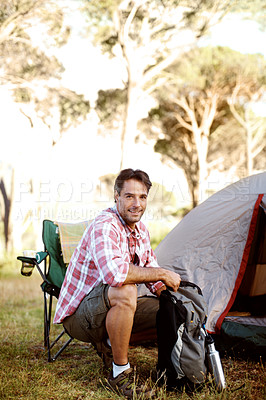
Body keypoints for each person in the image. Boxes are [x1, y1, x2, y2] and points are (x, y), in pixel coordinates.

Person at [54, 168, 181, 399]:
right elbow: (116, 275)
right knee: (126, 291)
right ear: (116, 196)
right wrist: (162, 273)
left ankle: (172, 368)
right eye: (129, 196)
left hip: (104, 309)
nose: (137, 204)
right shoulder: (105, 225)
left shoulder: (141, 229)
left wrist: (168, 293)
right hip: (78, 318)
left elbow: (150, 269)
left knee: (170, 306)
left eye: (142, 197)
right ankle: (120, 374)